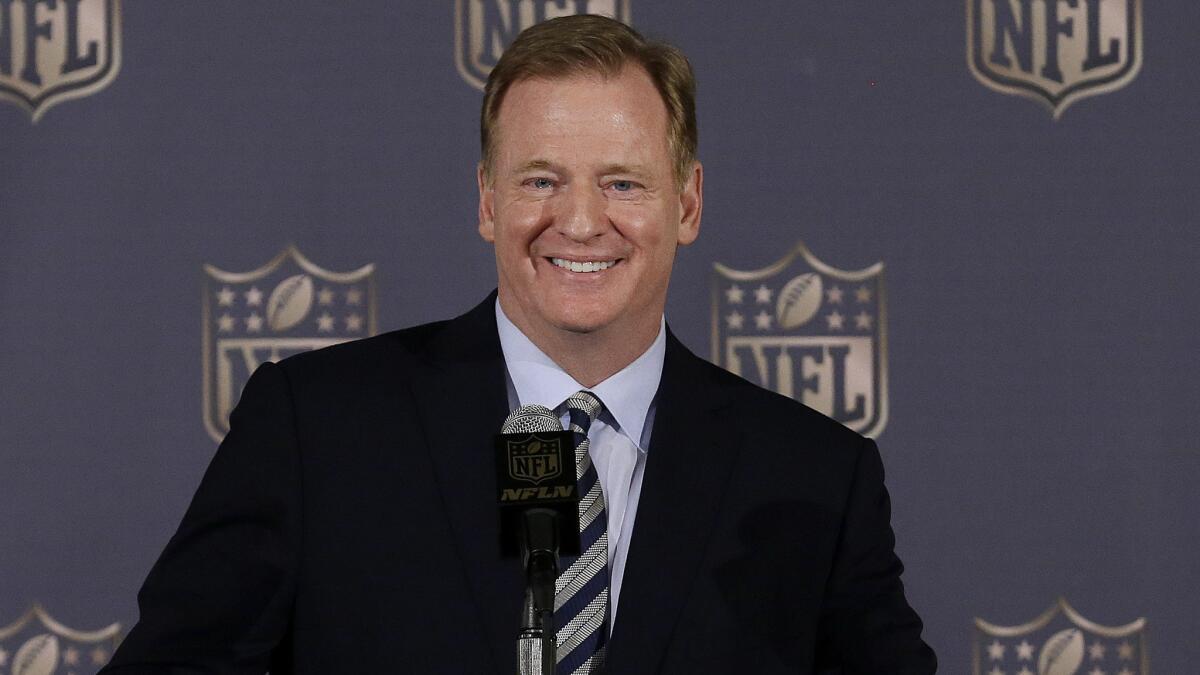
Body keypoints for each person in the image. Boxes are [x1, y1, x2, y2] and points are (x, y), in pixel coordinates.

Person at [102, 15, 936, 674]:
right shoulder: (315, 430)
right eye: (541, 179)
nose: (579, 221)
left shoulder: (815, 478)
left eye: (622, 182)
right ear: (487, 201)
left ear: (686, 203)